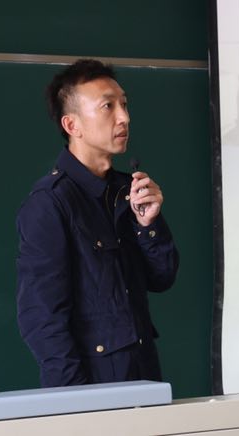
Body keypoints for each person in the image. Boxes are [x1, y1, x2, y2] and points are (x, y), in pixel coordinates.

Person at [16, 58, 179, 388]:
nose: (124, 117)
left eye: (124, 104)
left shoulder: (126, 191)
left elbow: (162, 277)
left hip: (144, 379)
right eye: (108, 106)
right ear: (72, 125)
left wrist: (148, 225)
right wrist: (77, 401)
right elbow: (41, 317)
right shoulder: (51, 203)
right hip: (91, 389)